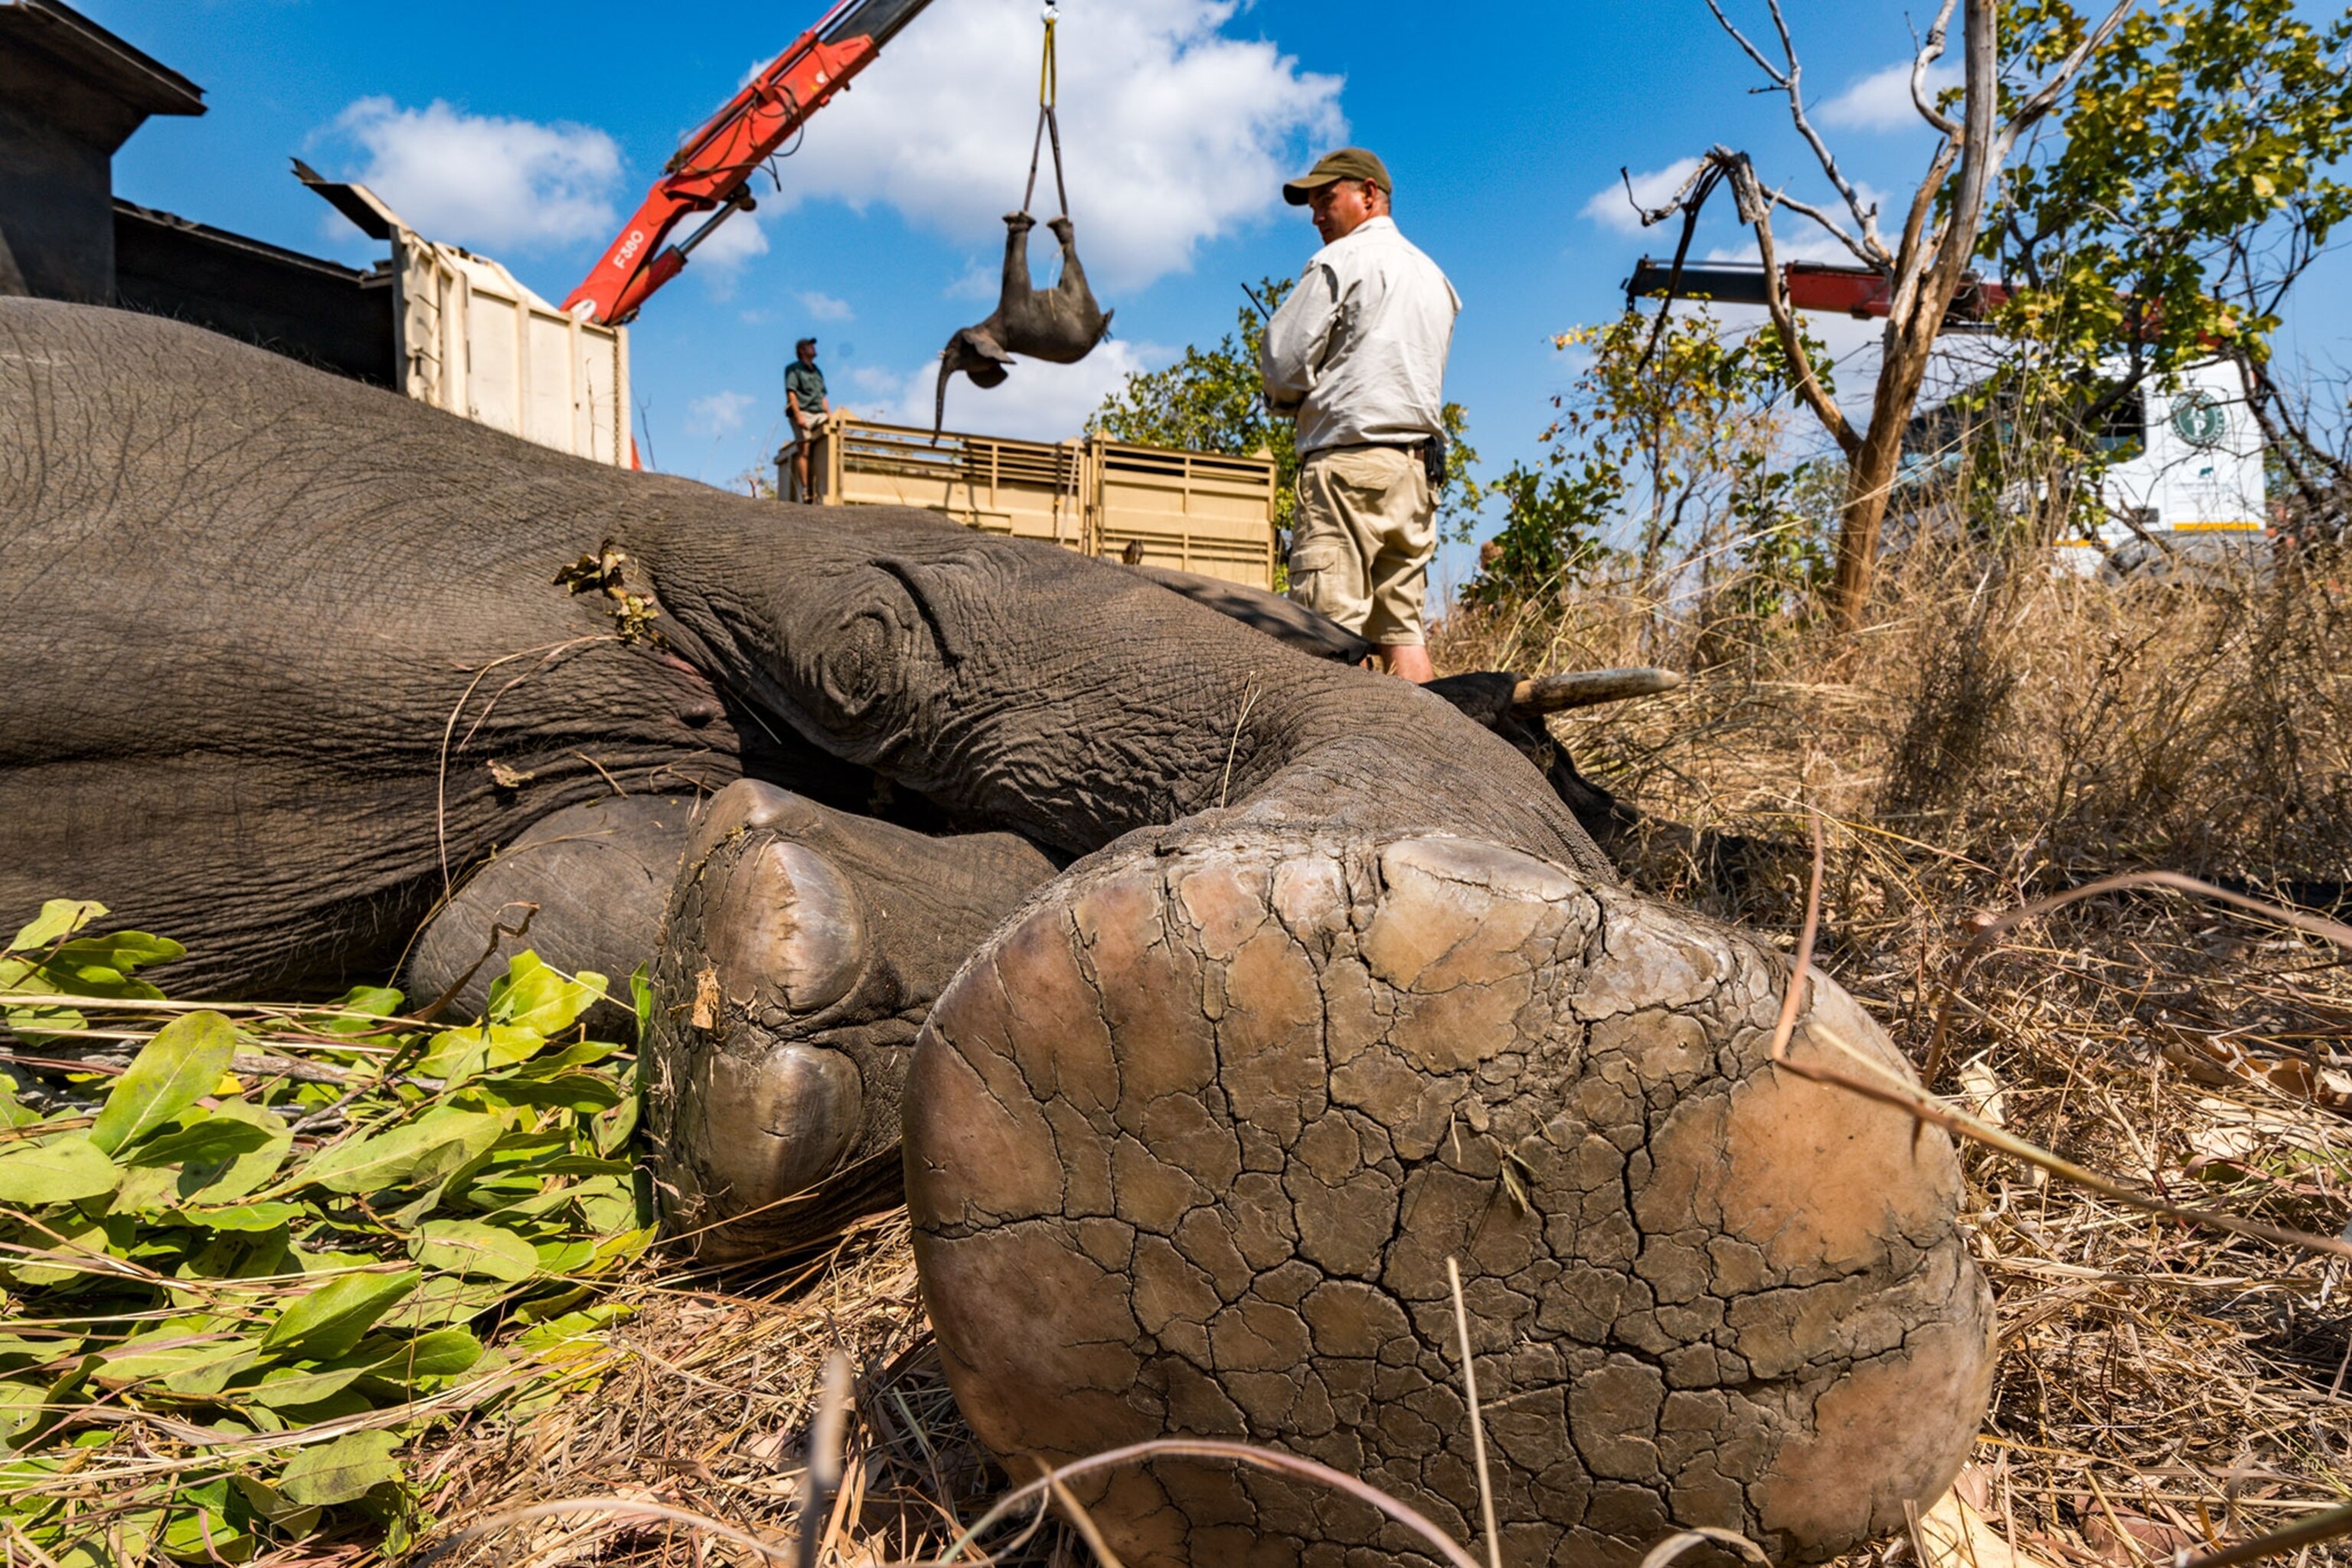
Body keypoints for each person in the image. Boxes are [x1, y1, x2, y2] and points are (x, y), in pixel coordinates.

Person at [1259, 147, 1459, 684]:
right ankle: (1433, 759)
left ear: (1369, 194)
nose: (1317, 217)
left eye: (1327, 200)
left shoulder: (1341, 262)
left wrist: (1290, 399)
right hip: (1416, 477)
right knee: (1403, 632)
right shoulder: (1433, 276)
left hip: (1349, 473)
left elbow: (1281, 362)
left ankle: (1335, 765)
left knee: (1324, 638)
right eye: (1313, 208)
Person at [784, 337, 831, 500]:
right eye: (810, 346)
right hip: (802, 411)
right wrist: (798, 417)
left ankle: (826, 484)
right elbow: (792, 393)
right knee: (804, 448)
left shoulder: (818, 371)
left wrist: (829, 417)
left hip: (818, 412)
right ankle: (806, 489)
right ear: (802, 351)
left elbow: (823, 396)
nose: (814, 348)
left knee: (833, 434)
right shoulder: (793, 369)